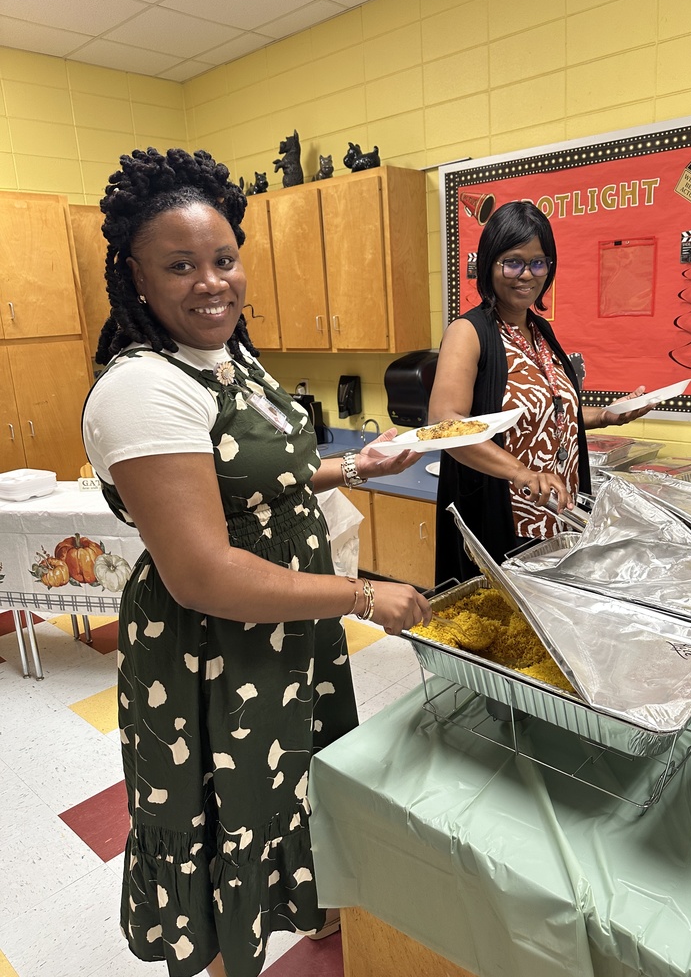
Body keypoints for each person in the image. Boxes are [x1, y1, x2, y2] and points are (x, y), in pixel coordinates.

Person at [81, 147, 431, 977]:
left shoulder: (228, 356)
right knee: (228, 805)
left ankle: (310, 905)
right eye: (180, 266)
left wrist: (354, 465)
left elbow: (254, 479)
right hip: (213, 644)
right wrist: (360, 594)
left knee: (294, 776)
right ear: (135, 278)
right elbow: (205, 573)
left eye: (224, 259)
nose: (212, 283)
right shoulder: (143, 389)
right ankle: (225, 955)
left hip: (285, 623)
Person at [429, 200, 654, 585]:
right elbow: (444, 424)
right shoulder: (469, 333)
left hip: (557, 519)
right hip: (506, 521)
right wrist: (521, 472)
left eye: (538, 263)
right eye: (513, 262)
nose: (526, 275)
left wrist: (605, 415)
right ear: (489, 264)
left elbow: (547, 411)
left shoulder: (539, 331)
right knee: (507, 618)